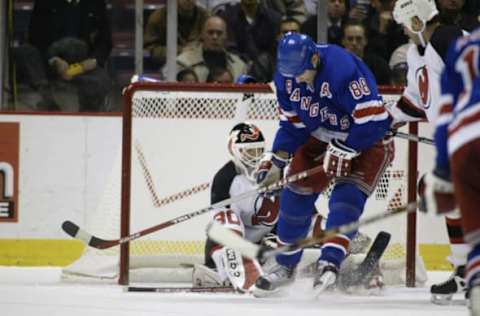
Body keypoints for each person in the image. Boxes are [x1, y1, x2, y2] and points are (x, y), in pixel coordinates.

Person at [251, 32, 393, 297]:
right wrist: (277, 161)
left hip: (364, 138)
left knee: (345, 198)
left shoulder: (343, 69)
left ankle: (330, 261)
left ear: (315, 58)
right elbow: (293, 125)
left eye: (302, 72)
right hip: (319, 137)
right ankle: (285, 265)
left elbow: (373, 121)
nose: (297, 79)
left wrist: (348, 147)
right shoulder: (286, 78)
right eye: (291, 73)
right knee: (295, 194)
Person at [389, 0, 467, 303]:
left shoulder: (448, 38)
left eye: (406, 25)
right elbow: (415, 100)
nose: (405, 32)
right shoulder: (415, 53)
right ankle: (465, 270)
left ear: (416, 21)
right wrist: (388, 122)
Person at [422, 27, 480, 314]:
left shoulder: (461, 47)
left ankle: (474, 274)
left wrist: (444, 170)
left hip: (465, 142)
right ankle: (464, 269)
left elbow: (446, 112)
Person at [15, 0, 112, 112]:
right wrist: (55, 60)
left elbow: (105, 41)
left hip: (84, 64)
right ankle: (48, 102)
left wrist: (94, 61)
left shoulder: (96, 4)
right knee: (25, 51)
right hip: (49, 61)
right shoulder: (44, 3)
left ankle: (88, 115)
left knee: (100, 80)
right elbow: (35, 38)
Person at [171, 15, 247, 82]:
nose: (215, 37)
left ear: (226, 36)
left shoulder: (239, 66)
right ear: (202, 35)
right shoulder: (183, 62)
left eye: (219, 33)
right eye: (210, 32)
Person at [144, 0, 209, 68]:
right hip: (167, 65)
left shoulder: (205, 17)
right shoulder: (158, 18)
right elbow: (151, 49)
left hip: (199, 63)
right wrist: (180, 50)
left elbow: (212, 45)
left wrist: (197, 48)